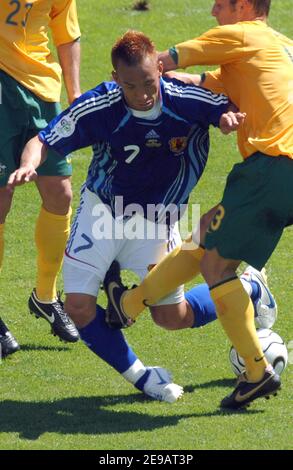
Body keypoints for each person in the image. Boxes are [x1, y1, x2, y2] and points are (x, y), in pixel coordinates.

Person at [7, 30, 252, 402]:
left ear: (159, 69)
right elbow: (43, 140)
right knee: (77, 306)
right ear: (115, 77)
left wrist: (227, 118)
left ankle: (252, 288)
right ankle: (142, 377)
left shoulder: (186, 100)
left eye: (149, 83)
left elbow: (229, 104)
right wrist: (29, 164)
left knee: (172, 317)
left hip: (159, 220)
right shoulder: (101, 106)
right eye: (131, 86)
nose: (142, 94)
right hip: (102, 211)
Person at [102, 0, 292, 409]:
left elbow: (166, 62)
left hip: (272, 167)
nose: (212, 11)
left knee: (216, 266)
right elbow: (204, 80)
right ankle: (129, 304)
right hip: (281, 173)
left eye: (220, 4)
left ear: (243, 6)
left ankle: (257, 372)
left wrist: (129, 80)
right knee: (204, 236)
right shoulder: (278, 46)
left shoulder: (243, 33)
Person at [0, 0, 81, 354]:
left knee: (60, 194)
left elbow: (66, 32)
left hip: (42, 90)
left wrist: (75, 94)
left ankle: (45, 297)